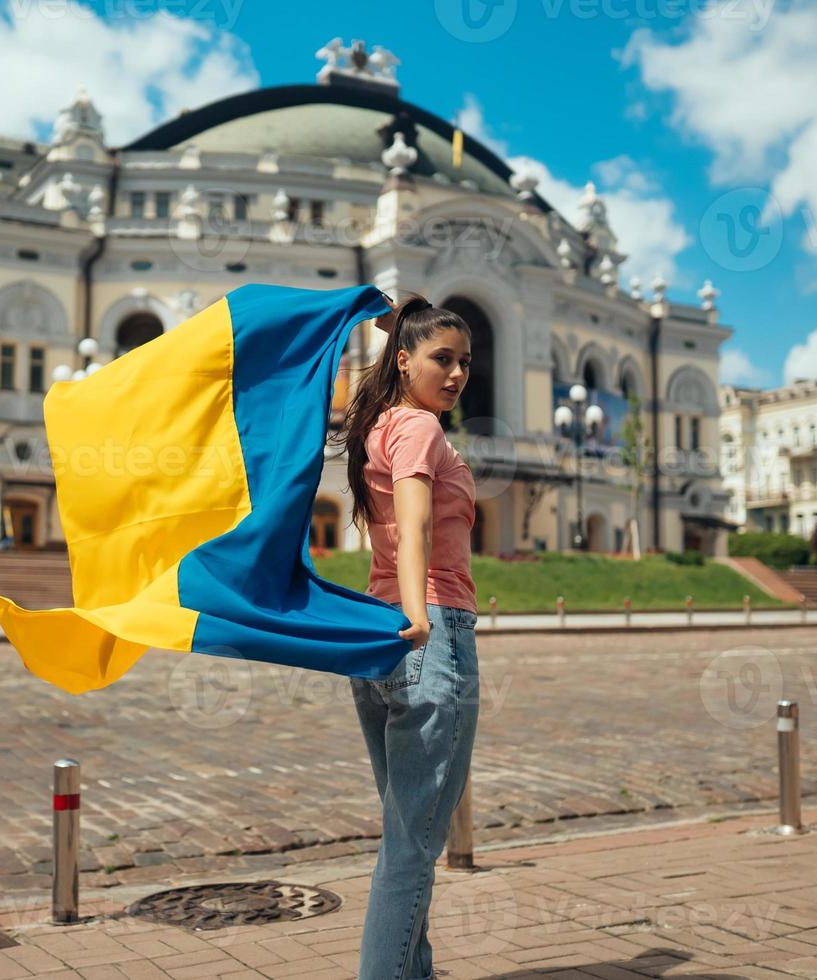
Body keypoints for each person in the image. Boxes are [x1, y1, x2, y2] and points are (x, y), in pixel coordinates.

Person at [334, 292, 479, 979]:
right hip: (428, 633)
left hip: (380, 636)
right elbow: (415, 525)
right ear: (403, 360)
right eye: (440, 358)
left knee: (404, 836)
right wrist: (422, 614)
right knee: (412, 847)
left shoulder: (380, 428)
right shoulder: (418, 428)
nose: (455, 374)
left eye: (464, 362)